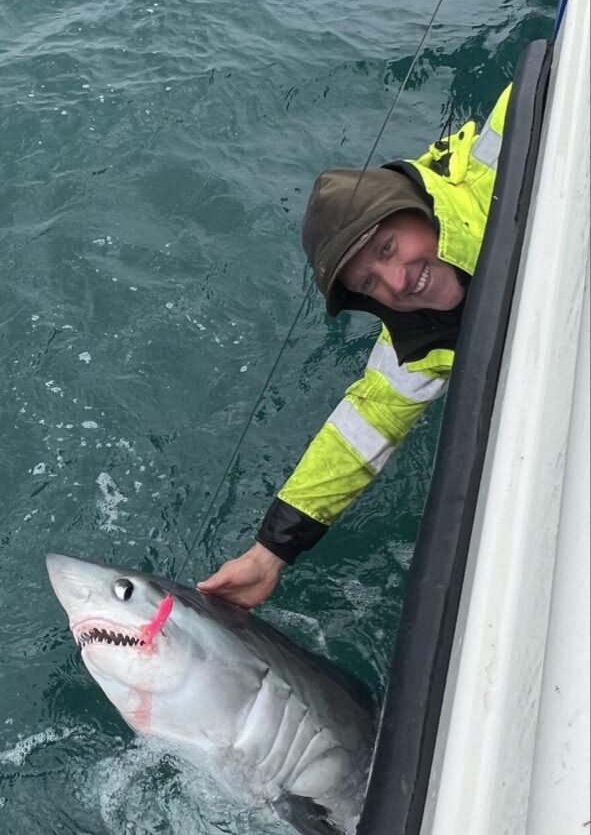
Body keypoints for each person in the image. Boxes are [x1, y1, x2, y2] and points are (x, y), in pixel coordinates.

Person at [197, 84, 512, 608]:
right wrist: (268, 552)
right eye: (369, 284)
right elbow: (356, 436)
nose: (396, 280)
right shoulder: (414, 349)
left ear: (419, 209)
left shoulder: (509, 157)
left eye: (389, 247)